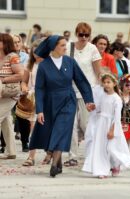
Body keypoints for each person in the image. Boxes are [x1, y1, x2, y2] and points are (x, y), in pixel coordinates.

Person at [29, 35, 95, 177]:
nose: (66, 48)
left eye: (66, 45)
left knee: (61, 129)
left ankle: (53, 166)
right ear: (54, 47)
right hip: (49, 102)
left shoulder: (70, 62)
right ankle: (57, 163)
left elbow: (81, 81)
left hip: (67, 100)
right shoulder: (44, 65)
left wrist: (88, 99)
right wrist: (39, 110)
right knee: (50, 131)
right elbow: (39, 89)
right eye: (63, 45)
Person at [65, 22, 101, 167]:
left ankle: (92, 153)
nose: (84, 38)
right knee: (71, 125)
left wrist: (101, 90)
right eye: (81, 35)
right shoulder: (69, 47)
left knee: (86, 124)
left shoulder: (93, 49)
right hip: (70, 90)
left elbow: (98, 72)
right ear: (76, 34)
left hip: (88, 91)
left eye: (87, 35)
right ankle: (72, 156)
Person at [82, 74, 130, 178]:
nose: (106, 84)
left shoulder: (117, 99)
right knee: (101, 147)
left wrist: (112, 130)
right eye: (104, 82)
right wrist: (92, 107)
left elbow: (117, 117)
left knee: (112, 147)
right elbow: (99, 108)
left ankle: (115, 165)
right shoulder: (103, 96)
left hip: (112, 125)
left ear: (114, 83)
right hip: (101, 124)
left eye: (108, 82)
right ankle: (102, 170)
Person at [21, 40, 45, 166]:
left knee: (47, 127)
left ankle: (50, 153)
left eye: (39, 50)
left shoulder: (49, 63)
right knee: (33, 128)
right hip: (33, 98)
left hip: (47, 98)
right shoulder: (29, 63)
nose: (36, 53)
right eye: (34, 51)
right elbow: (24, 81)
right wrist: (24, 87)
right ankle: (31, 157)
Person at [0, 33, 23, 160]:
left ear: (5, 43)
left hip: (9, 93)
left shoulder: (13, 57)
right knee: (6, 120)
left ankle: (10, 151)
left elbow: (20, 74)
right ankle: (11, 151)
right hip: (1, 94)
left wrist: (3, 80)